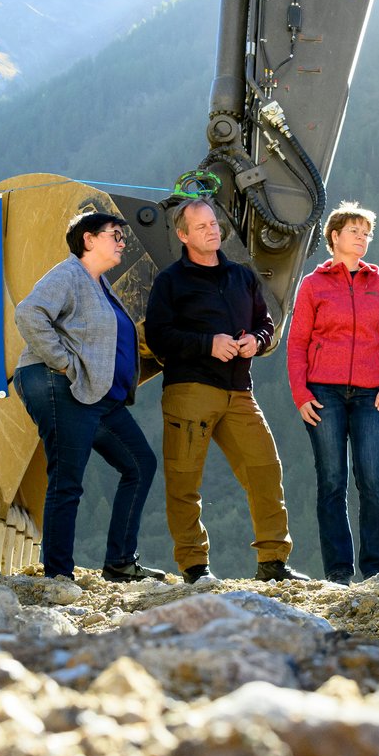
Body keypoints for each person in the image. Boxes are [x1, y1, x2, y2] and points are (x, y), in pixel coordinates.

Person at [144, 199, 306, 582]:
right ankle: (194, 567)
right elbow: (158, 336)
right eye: (201, 227)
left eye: (213, 224)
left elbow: (266, 322)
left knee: (265, 469)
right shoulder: (171, 281)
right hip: (190, 390)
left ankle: (273, 562)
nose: (212, 231)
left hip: (239, 391)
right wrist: (207, 343)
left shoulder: (242, 276)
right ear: (183, 236)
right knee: (184, 481)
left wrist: (257, 340)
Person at [10, 211, 165, 583]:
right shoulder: (69, 274)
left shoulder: (99, 283)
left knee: (140, 463)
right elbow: (29, 313)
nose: (122, 242)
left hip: (93, 395)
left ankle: (120, 562)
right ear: (88, 239)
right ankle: (59, 574)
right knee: (67, 478)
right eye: (115, 234)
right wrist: (63, 363)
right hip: (56, 383)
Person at [287, 202, 379, 582]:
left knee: (373, 479)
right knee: (332, 481)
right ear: (335, 237)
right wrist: (300, 394)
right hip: (324, 393)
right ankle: (338, 572)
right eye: (355, 231)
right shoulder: (313, 284)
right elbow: (297, 343)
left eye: (366, 232)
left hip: (374, 394)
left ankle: (377, 571)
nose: (362, 238)